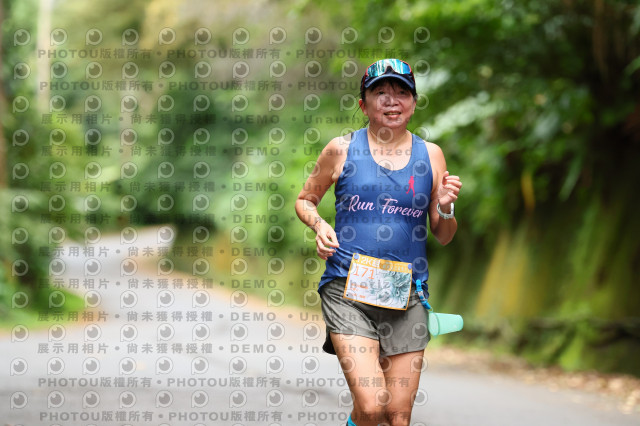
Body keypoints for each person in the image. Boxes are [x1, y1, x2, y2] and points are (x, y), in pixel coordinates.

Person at [295, 58, 462, 426]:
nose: (391, 100)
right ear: (363, 104)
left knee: (398, 416)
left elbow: (444, 234)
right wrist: (319, 225)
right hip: (347, 289)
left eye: (402, 92)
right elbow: (305, 200)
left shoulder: (431, 155)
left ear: (413, 103)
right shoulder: (341, 149)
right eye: (380, 92)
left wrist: (446, 207)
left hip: (407, 293)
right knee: (372, 407)